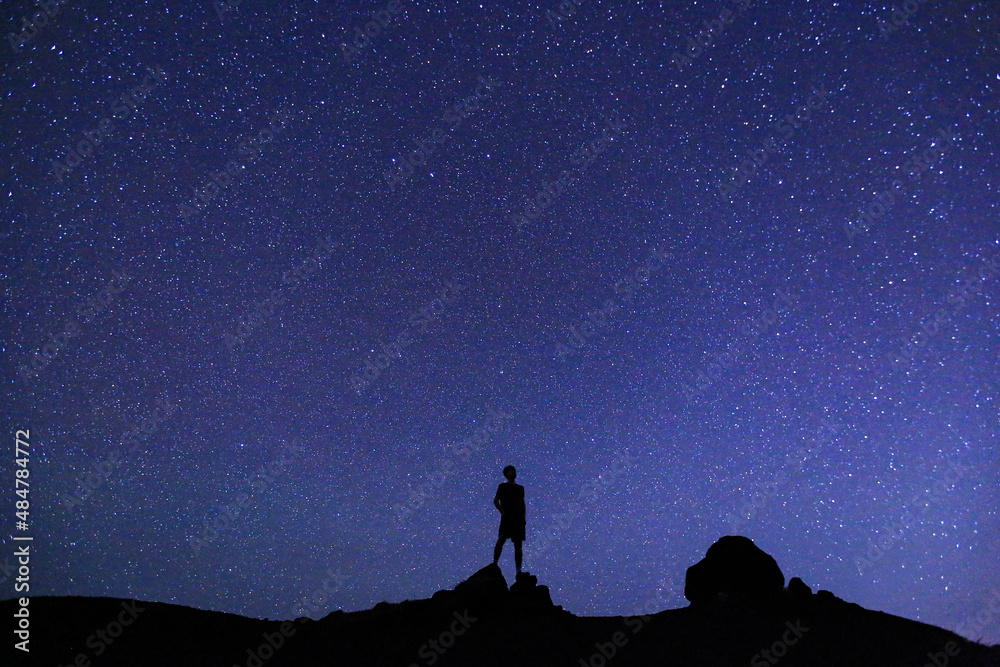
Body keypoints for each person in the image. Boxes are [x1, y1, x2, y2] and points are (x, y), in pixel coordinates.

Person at [493, 465, 525, 574]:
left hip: (518, 518)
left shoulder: (520, 488)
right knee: (501, 539)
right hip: (507, 517)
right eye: (511, 471)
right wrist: (502, 512)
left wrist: (523, 518)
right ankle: (495, 563)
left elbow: (522, 504)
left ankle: (518, 570)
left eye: (514, 471)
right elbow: (496, 501)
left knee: (518, 545)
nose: (514, 472)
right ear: (507, 474)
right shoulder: (502, 486)